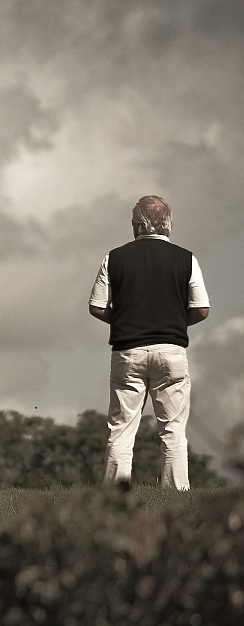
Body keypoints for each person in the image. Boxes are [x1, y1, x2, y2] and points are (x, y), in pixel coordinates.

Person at [88, 195, 210, 490]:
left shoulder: (113, 258)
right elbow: (202, 309)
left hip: (127, 351)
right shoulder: (186, 258)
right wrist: (175, 323)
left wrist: (125, 321)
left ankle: (115, 497)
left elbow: (97, 306)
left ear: (135, 226)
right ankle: (176, 492)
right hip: (171, 350)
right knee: (173, 430)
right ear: (168, 225)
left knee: (121, 429)